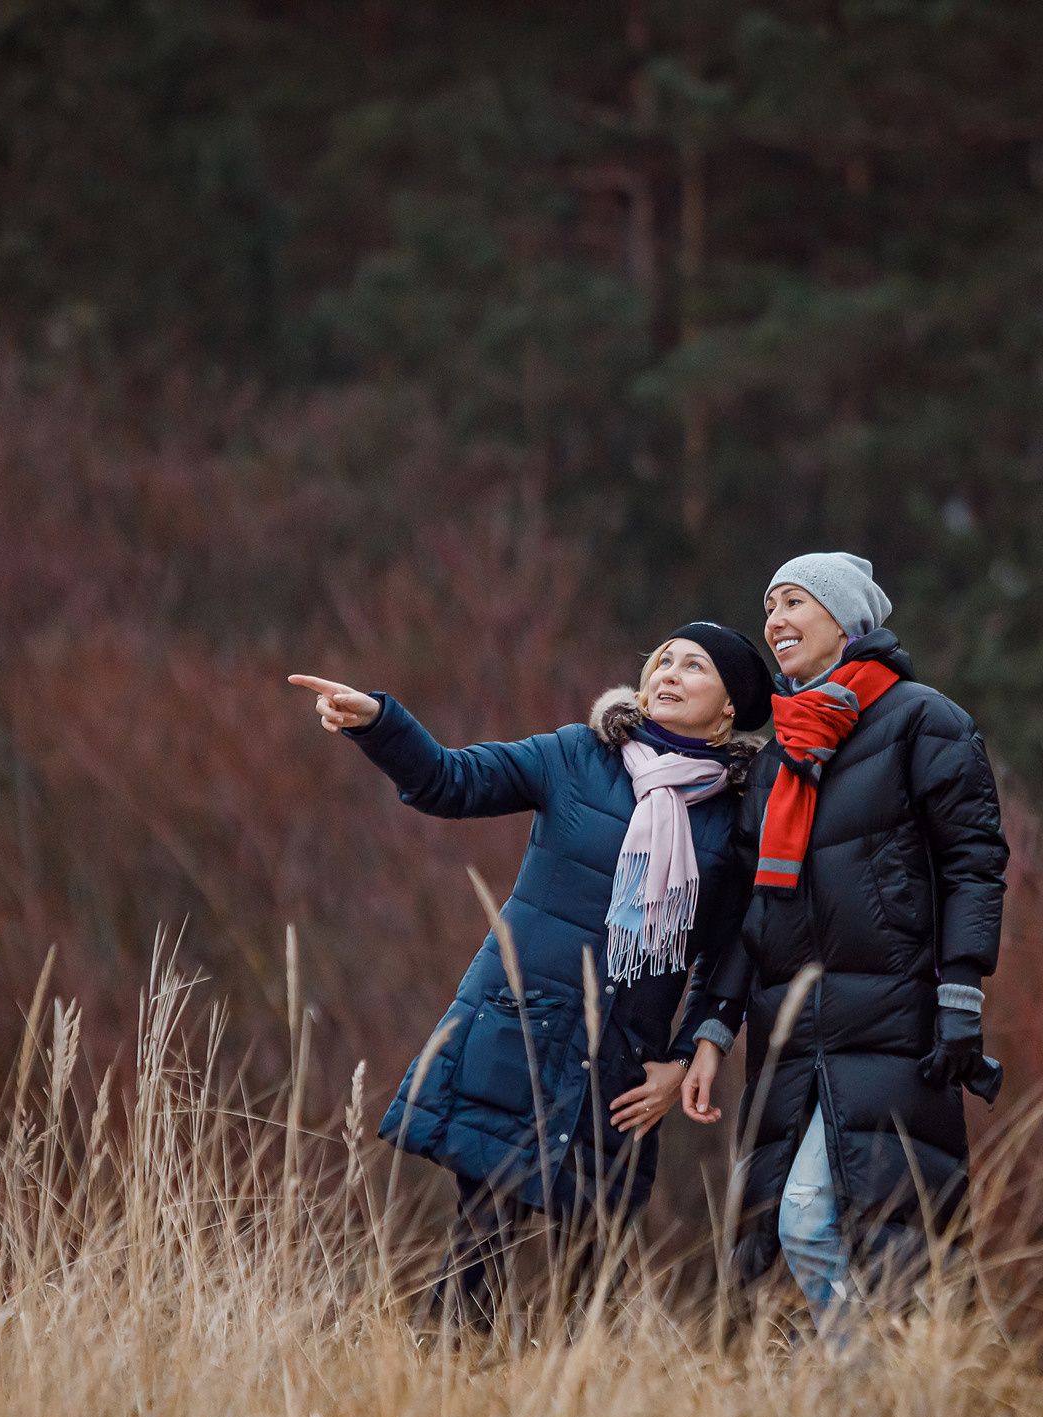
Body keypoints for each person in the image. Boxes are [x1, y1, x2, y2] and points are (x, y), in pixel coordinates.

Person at [289, 625, 772, 1332]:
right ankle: (445, 1389)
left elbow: (726, 951)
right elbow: (449, 780)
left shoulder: (733, 819)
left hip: (623, 1062)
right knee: (481, 1230)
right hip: (524, 1025)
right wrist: (381, 723)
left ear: (729, 707)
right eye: (662, 659)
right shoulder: (579, 756)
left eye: (693, 666)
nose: (668, 671)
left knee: (592, 1262)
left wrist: (684, 1056)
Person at [680, 553, 1006, 1336]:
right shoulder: (777, 759)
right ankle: (893, 1392)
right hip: (791, 1036)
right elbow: (754, 913)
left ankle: (881, 1385)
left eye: (795, 600)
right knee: (806, 1241)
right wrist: (714, 1027)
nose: (776, 620)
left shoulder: (923, 720)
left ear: (847, 619)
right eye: (769, 604)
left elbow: (975, 861)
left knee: (824, 1222)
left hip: (894, 1023)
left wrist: (962, 986)